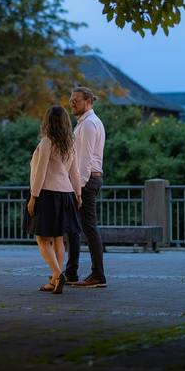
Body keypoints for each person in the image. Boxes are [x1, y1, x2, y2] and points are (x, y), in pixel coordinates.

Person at [22, 105, 83, 294]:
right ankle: (56, 280)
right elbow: (75, 171)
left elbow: (40, 172)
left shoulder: (47, 142)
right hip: (66, 194)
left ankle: (57, 274)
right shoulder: (70, 143)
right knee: (58, 239)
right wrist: (78, 194)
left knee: (42, 239)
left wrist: (33, 196)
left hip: (47, 194)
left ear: (48, 121)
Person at [64, 86, 107, 288]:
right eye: (71, 101)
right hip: (85, 181)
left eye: (76, 101)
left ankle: (98, 276)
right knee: (74, 227)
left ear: (88, 101)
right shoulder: (86, 123)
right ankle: (71, 273)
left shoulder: (89, 124)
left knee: (89, 229)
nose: (72, 104)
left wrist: (78, 188)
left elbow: (85, 160)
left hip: (86, 182)